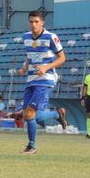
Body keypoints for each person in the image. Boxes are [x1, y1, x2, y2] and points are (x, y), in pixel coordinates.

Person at [17, 10, 68, 154]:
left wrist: (46, 67)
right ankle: (57, 114)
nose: (33, 25)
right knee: (27, 114)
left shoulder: (51, 37)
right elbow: (30, 56)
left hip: (46, 79)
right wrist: (24, 68)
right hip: (31, 79)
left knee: (30, 113)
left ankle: (31, 146)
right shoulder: (26, 37)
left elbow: (62, 58)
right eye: (31, 22)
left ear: (42, 22)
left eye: (36, 22)